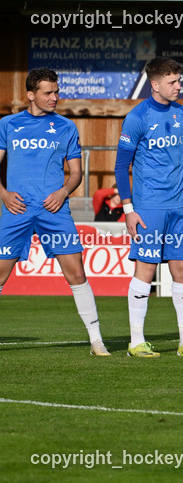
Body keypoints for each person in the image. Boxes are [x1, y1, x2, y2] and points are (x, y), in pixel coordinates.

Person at [0, 68, 109, 356]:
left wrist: (63, 192)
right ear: (30, 94)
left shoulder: (66, 127)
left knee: (77, 273)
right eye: (48, 92)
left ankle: (97, 342)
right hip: (16, 209)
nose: (54, 97)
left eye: (56, 92)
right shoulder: (8, 124)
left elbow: (76, 173)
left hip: (55, 211)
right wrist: (4, 194)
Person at [114, 56, 183, 359]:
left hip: (178, 206)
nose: (179, 86)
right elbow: (121, 166)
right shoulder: (136, 117)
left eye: (179, 80)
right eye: (172, 81)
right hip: (149, 207)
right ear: (154, 84)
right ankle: (136, 342)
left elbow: (181, 159)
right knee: (146, 269)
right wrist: (129, 210)